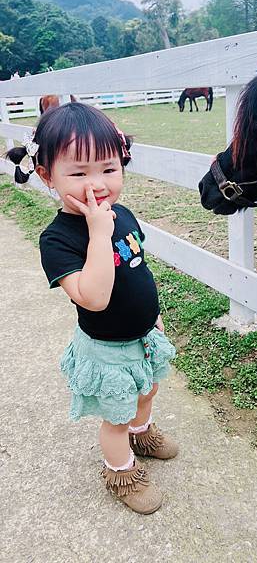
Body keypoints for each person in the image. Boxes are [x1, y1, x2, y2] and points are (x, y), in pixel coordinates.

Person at [6, 102, 177, 514]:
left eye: (108, 169)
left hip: (143, 337)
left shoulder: (122, 213)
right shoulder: (58, 240)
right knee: (115, 418)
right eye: (79, 174)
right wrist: (98, 233)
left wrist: (152, 316)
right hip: (107, 350)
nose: (96, 185)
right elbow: (94, 297)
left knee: (148, 391)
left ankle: (144, 432)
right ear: (47, 176)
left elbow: (137, 267)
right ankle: (121, 470)